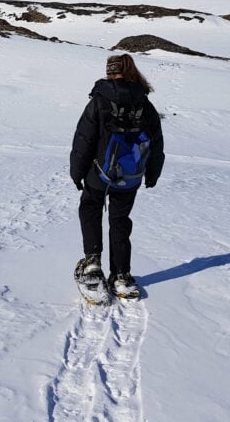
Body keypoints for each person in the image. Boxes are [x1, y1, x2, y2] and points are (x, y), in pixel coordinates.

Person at [70, 53, 164, 297]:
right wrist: (152, 173)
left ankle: (92, 264)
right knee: (120, 220)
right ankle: (121, 275)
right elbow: (156, 142)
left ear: (109, 72)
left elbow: (84, 139)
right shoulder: (145, 103)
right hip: (130, 175)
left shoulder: (99, 101)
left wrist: (77, 171)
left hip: (97, 172)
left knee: (90, 208)